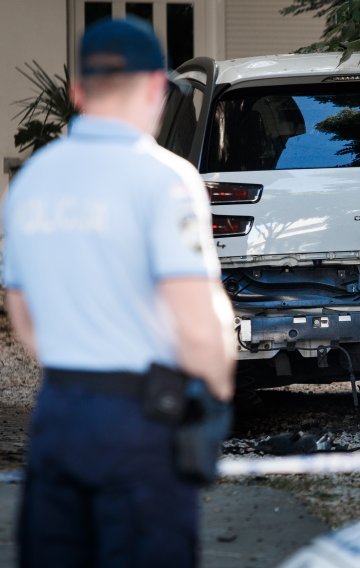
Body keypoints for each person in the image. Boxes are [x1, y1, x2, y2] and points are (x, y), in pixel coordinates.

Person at [3, 17, 236, 567]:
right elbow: (197, 322)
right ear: (157, 87)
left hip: (58, 416)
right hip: (140, 423)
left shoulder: (32, 178)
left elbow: (24, 317)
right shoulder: (165, 179)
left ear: (78, 91)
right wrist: (215, 399)